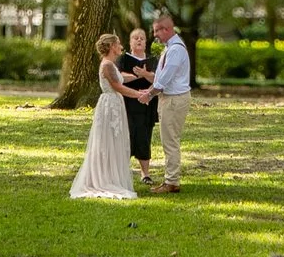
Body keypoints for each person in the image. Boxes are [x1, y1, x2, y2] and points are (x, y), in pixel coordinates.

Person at [70, 34, 141, 200]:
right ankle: (104, 178)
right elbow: (118, 86)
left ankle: (111, 175)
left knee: (113, 140)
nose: (121, 46)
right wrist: (139, 94)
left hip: (115, 103)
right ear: (111, 46)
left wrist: (139, 75)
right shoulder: (107, 65)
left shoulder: (111, 65)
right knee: (107, 140)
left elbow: (121, 78)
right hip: (110, 105)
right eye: (118, 43)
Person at [148, 13, 192, 192]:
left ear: (166, 29)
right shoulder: (170, 48)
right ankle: (170, 179)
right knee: (169, 139)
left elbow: (165, 79)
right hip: (170, 98)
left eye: (157, 31)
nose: (155, 35)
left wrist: (149, 94)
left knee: (170, 140)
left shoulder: (175, 50)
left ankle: (172, 182)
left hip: (174, 100)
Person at [121, 25, 159, 186]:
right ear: (130, 43)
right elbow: (119, 77)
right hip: (128, 103)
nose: (139, 40)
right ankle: (122, 171)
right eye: (135, 38)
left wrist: (145, 74)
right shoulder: (123, 59)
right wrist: (136, 76)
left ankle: (145, 173)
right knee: (127, 135)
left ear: (145, 43)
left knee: (144, 136)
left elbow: (158, 79)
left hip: (147, 103)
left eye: (142, 38)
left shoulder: (153, 61)